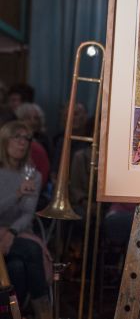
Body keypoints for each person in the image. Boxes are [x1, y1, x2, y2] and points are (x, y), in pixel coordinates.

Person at [0, 121, 50, 319]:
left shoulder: (32, 175)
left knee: (17, 268)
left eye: (26, 138)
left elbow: (27, 214)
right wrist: (17, 194)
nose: (23, 142)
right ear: (5, 140)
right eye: (17, 137)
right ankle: (44, 312)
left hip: (19, 233)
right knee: (32, 250)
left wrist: (11, 232)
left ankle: (13, 314)